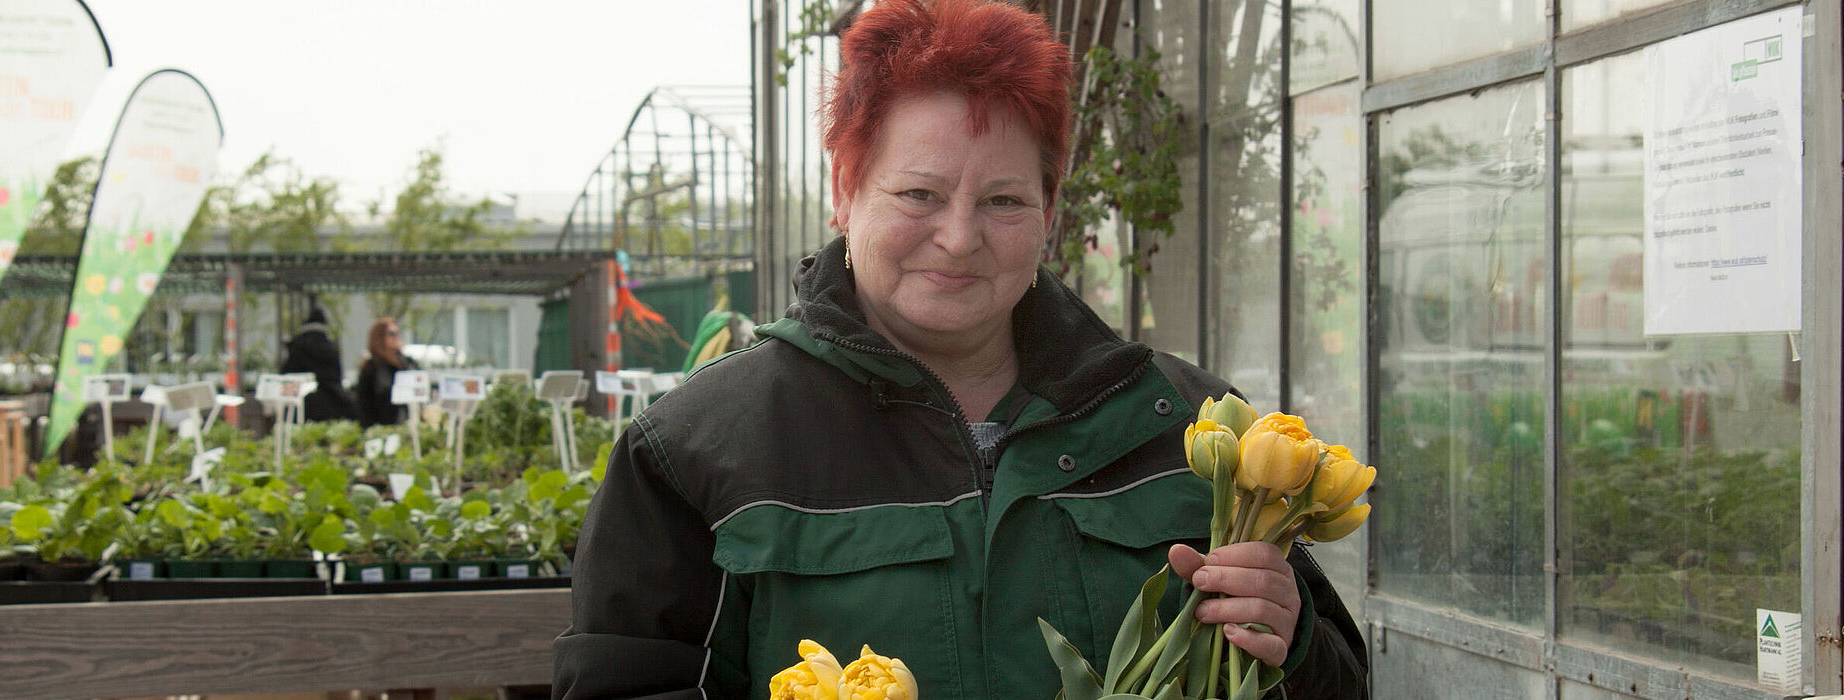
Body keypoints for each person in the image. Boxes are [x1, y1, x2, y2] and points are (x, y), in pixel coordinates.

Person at [552, 0, 1368, 697]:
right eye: (919, 193)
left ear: (1049, 209)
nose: (958, 237)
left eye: (1003, 199)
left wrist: (1290, 641)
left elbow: (1340, 683)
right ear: (844, 189)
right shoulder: (698, 452)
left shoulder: (1184, 433)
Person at [279, 306, 357, 422]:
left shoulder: (297, 347)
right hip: (332, 404)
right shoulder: (331, 348)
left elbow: (286, 375)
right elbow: (337, 376)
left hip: (302, 405)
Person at [353, 317, 419, 427]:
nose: (396, 337)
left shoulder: (407, 362)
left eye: (398, 333)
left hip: (408, 422)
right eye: (392, 334)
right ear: (380, 337)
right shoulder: (371, 367)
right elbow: (364, 403)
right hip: (382, 425)